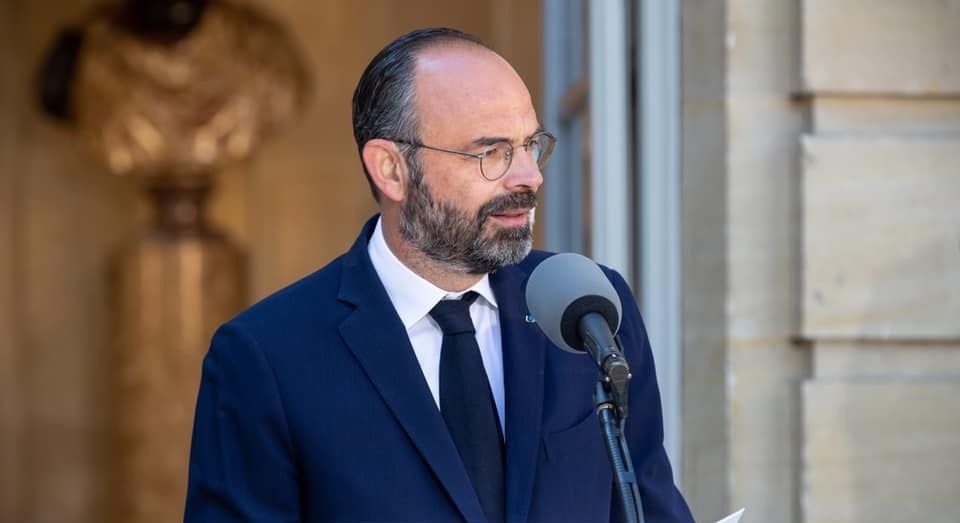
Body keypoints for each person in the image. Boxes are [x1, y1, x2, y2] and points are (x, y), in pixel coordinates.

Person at [184, 27, 694, 523]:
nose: (529, 176)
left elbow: (648, 506)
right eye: (492, 152)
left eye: (531, 145)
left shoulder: (590, 309)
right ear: (391, 170)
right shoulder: (265, 358)